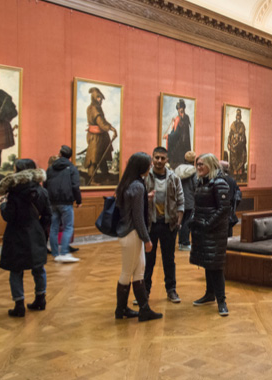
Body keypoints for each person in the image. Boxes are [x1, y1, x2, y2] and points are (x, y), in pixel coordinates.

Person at [0, 159, 52, 318]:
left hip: (16, 233)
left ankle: (19, 305)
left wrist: (2, 206)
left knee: (16, 270)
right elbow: (48, 215)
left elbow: (9, 216)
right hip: (35, 232)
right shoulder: (42, 191)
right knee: (39, 268)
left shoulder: (13, 192)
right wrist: (40, 230)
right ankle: (40, 299)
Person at [114, 152, 162, 322]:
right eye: (148, 164)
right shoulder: (138, 186)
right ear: (141, 166)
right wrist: (147, 239)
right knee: (127, 273)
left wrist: (145, 198)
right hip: (133, 234)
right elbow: (138, 218)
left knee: (139, 271)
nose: (150, 166)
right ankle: (121, 310)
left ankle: (143, 309)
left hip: (129, 234)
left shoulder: (129, 183)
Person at [190, 154, 231, 316]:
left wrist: (208, 224)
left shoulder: (219, 182)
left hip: (215, 231)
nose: (198, 167)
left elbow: (223, 209)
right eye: (197, 164)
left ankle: (221, 301)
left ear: (211, 165)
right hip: (203, 229)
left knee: (216, 265)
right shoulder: (201, 182)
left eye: (202, 164)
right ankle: (209, 294)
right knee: (208, 262)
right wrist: (194, 220)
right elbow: (198, 205)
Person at [143, 147, 184, 304]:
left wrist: (178, 223)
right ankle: (145, 292)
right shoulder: (145, 177)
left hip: (169, 226)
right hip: (150, 225)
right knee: (148, 260)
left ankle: (171, 290)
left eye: (162, 158)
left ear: (167, 160)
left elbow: (181, 201)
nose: (159, 161)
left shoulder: (174, 178)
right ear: (152, 159)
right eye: (156, 158)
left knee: (169, 260)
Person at [44, 145, 82, 263]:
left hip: (52, 202)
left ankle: (56, 254)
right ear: (70, 156)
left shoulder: (50, 169)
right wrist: (78, 200)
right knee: (68, 227)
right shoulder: (72, 168)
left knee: (54, 228)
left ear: (60, 154)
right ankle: (64, 252)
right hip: (66, 202)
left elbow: (45, 185)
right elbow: (75, 186)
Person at [84, 87, 118, 185]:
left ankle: (105, 175)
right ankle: (92, 180)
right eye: (98, 97)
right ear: (94, 97)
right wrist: (112, 129)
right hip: (96, 138)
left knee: (102, 157)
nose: (100, 100)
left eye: (101, 98)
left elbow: (103, 121)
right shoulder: (94, 108)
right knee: (93, 159)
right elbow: (101, 122)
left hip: (100, 137)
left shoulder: (95, 107)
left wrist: (110, 128)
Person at [175, 151, 197, 251]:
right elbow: (195, 186)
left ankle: (180, 242)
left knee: (181, 221)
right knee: (188, 221)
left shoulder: (178, 169)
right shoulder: (193, 171)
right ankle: (185, 242)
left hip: (178, 199)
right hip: (189, 200)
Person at [165, 99, 192, 170]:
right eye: (178, 109)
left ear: (183, 108)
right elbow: (175, 130)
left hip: (183, 144)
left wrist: (168, 136)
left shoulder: (185, 117)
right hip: (179, 143)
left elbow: (178, 132)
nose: (179, 110)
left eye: (181, 108)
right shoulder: (179, 118)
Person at [220, 161, 241, 237]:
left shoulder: (219, 179)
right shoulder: (232, 180)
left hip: (221, 209)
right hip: (230, 208)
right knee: (229, 232)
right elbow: (238, 195)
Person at [227, 109, 247, 183]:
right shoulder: (233, 124)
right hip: (233, 145)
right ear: (236, 116)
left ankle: (240, 175)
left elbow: (244, 136)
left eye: (239, 115)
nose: (238, 117)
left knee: (240, 159)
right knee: (234, 160)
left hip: (240, 146)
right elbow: (230, 135)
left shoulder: (242, 125)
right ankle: (234, 175)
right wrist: (229, 143)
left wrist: (241, 140)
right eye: (237, 115)